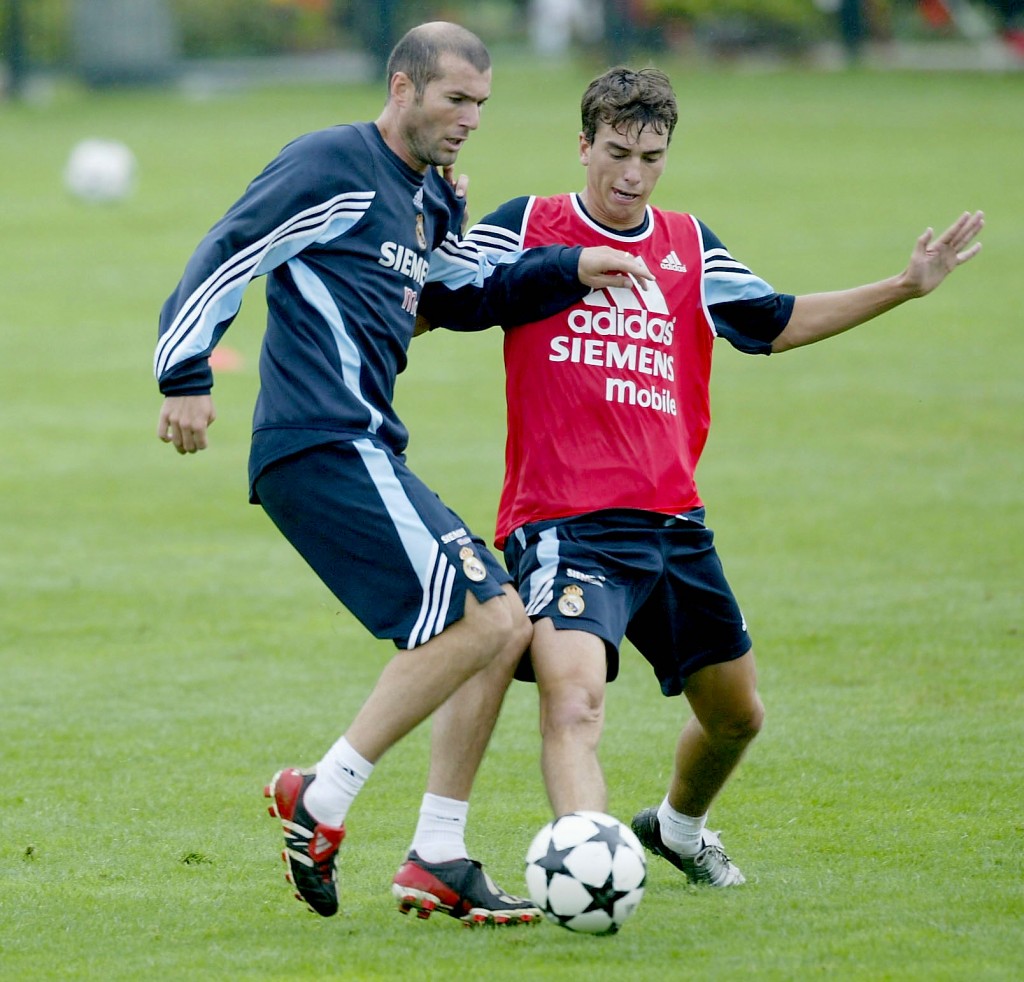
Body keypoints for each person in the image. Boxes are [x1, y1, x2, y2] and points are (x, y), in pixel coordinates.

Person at [153, 24, 651, 924]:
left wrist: (574, 266)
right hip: (321, 441)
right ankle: (323, 794)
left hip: (367, 446)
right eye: (455, 99)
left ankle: (438, 853)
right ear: (403, 86)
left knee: (501, 623)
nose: (469, 119)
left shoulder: (426, 201)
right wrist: (185, 375)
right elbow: (231, 247)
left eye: (481, 106)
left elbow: (470, 289)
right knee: (488, 617)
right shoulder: (333, 162)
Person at [452, 67, 983, 887]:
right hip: (563, 523)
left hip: (673, 523)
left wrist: (907, 287)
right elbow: (450, 292)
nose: (632, 174)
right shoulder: (527, 225)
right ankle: (591, 872)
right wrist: (435, 220)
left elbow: (775, 322)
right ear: (584, 144)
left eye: (652, 157)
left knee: (737, 717)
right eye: (618, 152)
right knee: (575, 703)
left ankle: (677, 827)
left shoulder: (691, 246)